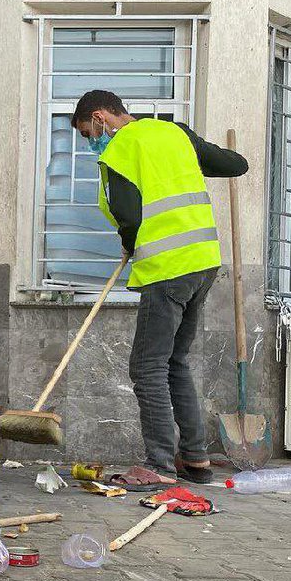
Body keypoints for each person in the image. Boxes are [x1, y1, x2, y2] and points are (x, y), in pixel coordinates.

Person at [72, 89, 248, 485]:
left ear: (101, 117)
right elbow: (235, 164)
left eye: (87, 132)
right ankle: (197, 459)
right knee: (175, 362)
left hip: (167, 268)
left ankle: (158, 466)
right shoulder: (175, 133)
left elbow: (128, 213)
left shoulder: (118, 150)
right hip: (202, 263)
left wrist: (130, 240)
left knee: (147, 366)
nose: (91, 141)